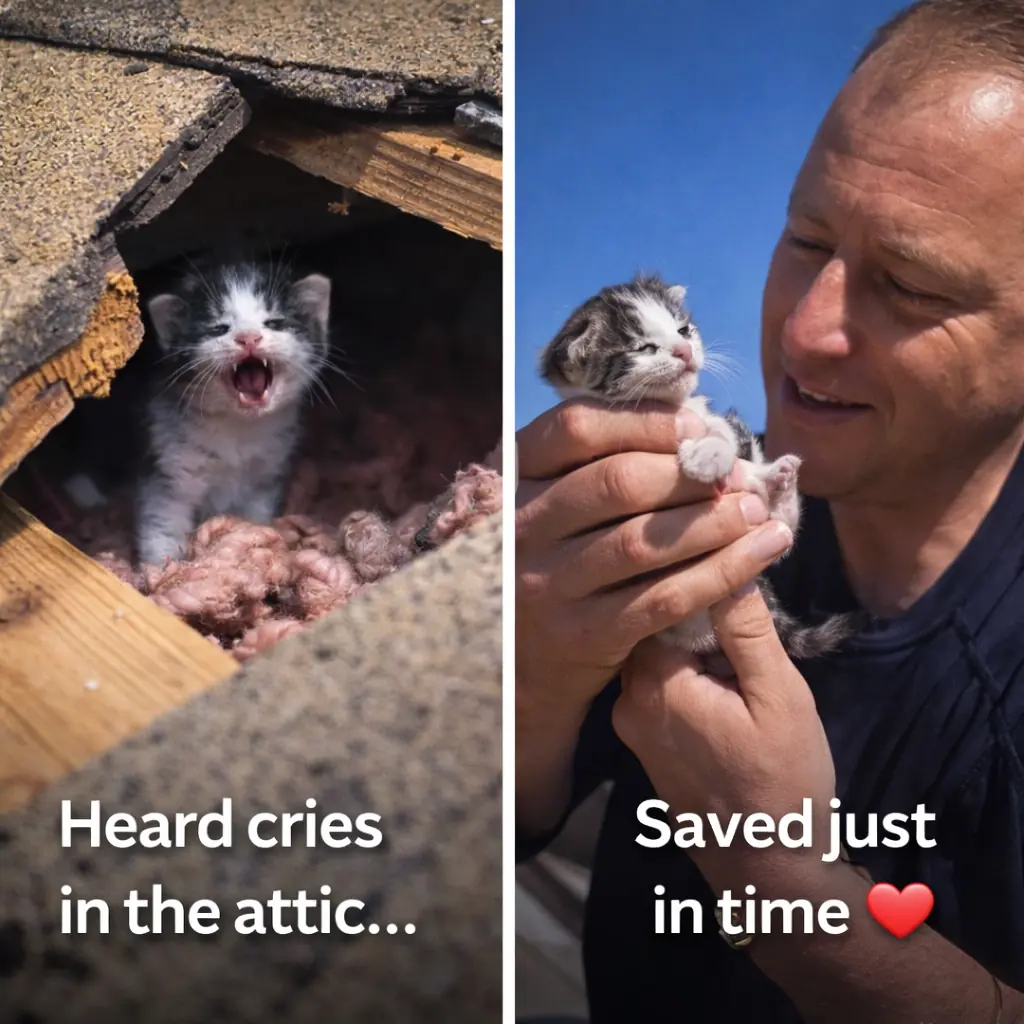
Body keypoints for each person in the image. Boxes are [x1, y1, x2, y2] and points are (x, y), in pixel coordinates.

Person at [516, 2, 1024, 1021]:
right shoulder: (677, 502)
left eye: (911, 286)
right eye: (805, 238)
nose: (802, 332)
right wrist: (531, 678)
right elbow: (498, 827)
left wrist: (781, 878)